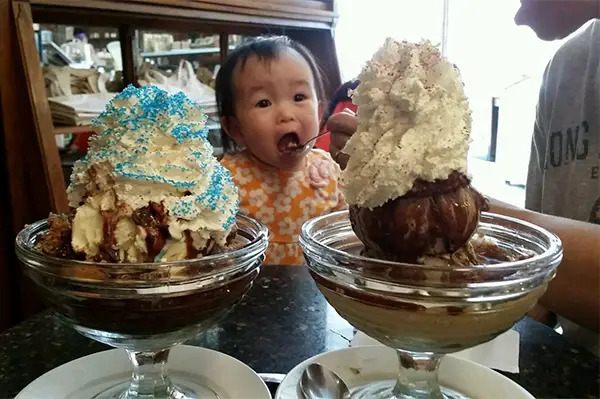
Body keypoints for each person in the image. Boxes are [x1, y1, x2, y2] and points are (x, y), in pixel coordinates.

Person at [326, 0, 599, 352]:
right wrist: (407, 179)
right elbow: (537, 287)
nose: (519, 15)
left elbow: (534, 261)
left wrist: (432, 198)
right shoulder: (567, 69)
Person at [215, 36, 346, 266]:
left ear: (319, 112)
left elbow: (346, 229)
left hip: (318, 293)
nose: (286, 113)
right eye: (263, 103)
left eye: (299, 97)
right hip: (253, 294)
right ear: (236, 128)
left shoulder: (328, 169)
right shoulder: (226, 180)